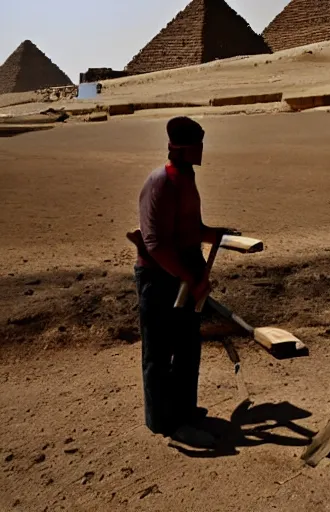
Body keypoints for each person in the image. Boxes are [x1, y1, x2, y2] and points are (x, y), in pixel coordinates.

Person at [132, 116, 233, 448]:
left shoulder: (186, 179)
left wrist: (218, 235)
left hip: (187, 274)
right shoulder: (161, 183)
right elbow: (156, 245)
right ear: (182, 148)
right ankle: (166, 423)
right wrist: (190, 277)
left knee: (188, 346)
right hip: (162, 277)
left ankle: (185, 411)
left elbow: (193, 227)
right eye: (198, 145)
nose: (202, 151)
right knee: (160, 352)